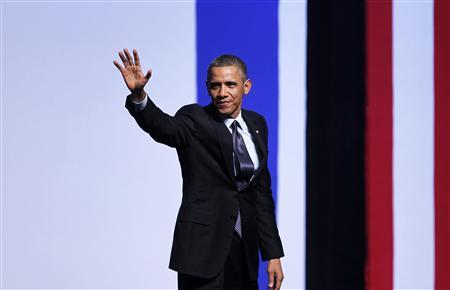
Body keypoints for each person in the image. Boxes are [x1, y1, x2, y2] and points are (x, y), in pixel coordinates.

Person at [113, 48, 284, 290]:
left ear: (246, 87)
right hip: (202, 251)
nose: (222, 93)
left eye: (230, 85)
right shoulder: (195, 118)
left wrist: (272, 253)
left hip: (244, 251)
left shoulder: (257, 124)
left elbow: (261, 195)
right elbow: (166, 128)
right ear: (207, 88)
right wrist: (140, 96)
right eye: (215, 86)